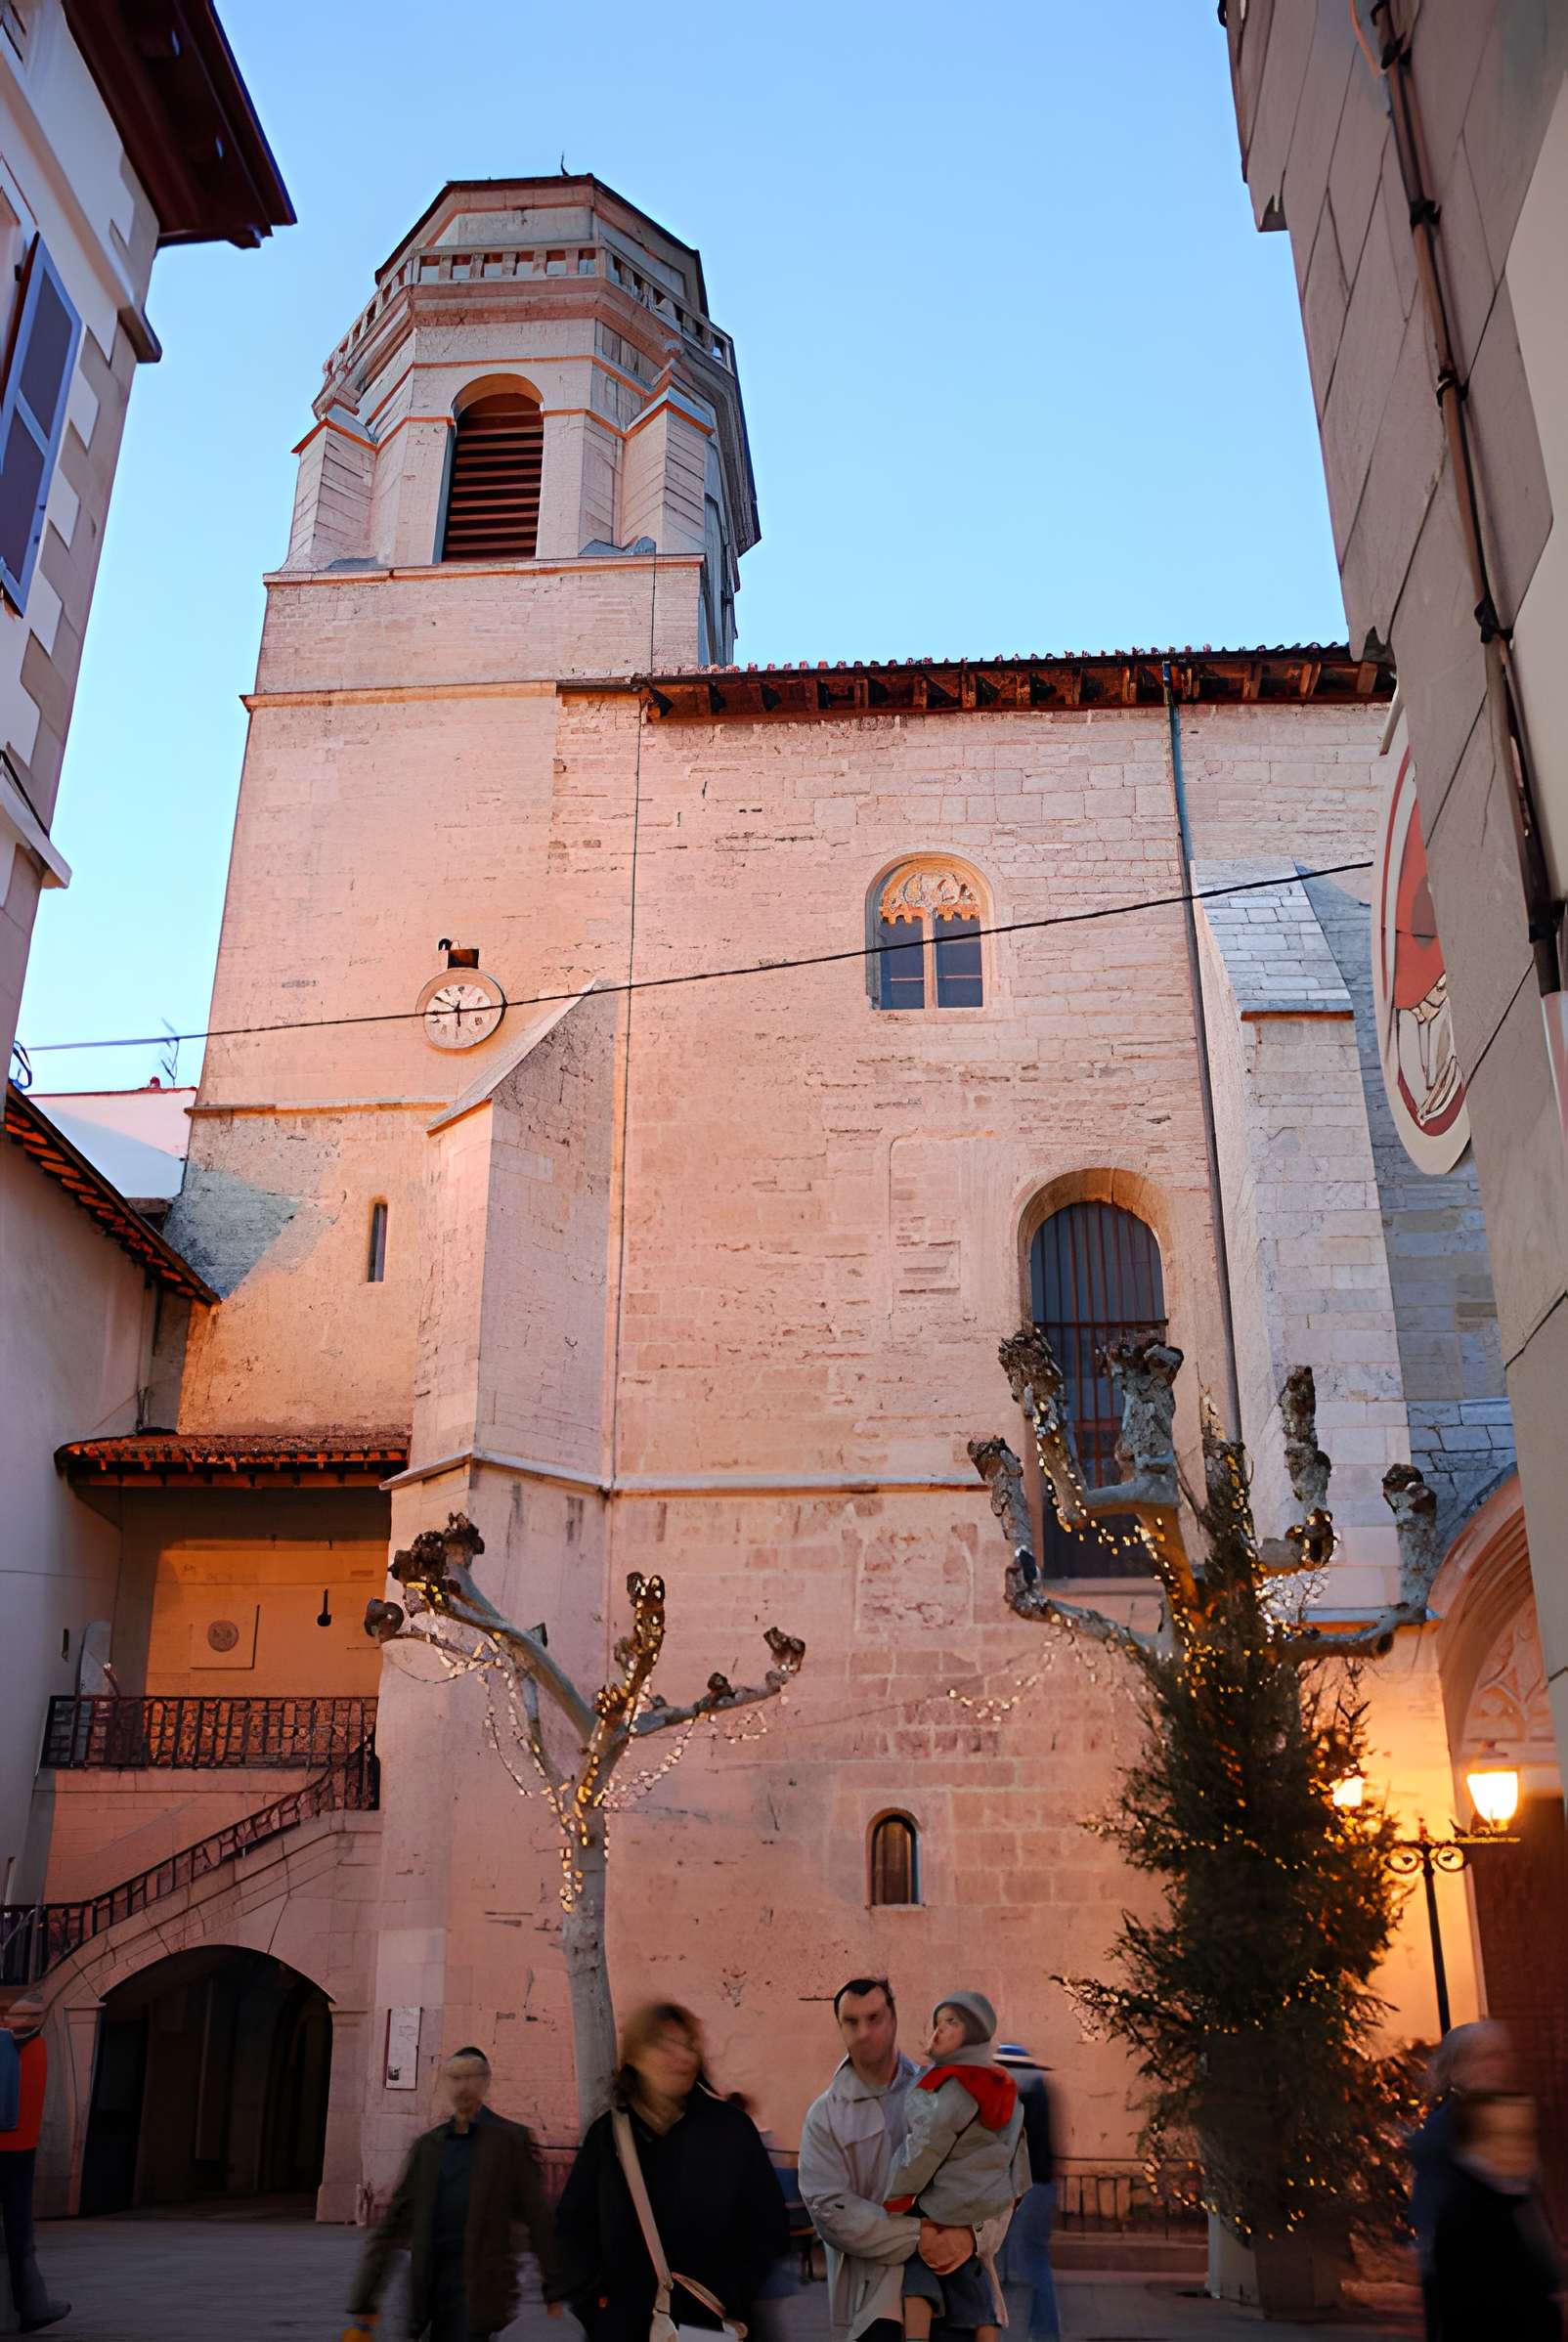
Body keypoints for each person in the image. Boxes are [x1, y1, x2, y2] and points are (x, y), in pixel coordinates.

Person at [799, 1977, 1024, 2342]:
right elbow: (829, 2209)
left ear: (894, 2018)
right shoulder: (825, 2116)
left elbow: (992, 2175)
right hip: (873, 2304)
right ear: (839, 2027)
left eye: (874, 2018)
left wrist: (970, 2237)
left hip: (955, 2290)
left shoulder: (945, 2091)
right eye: (851, 2022)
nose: (864, 2032)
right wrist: (921, 2236)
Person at [555, 2002, 788, 2342]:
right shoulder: (607, 2139)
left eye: (689, 2045)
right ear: (634, 2056)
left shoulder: (730, 2131)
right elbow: (573, 2234)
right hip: (628, 2329)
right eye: (664, 2045)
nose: (680, 2057)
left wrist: (729, 2298)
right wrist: (601, 2311)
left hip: (712, 2329)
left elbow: (768, 2228)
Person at [345, 2044, 562, 2342]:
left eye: (472, 2077)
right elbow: (394, 2224)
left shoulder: (509, 2141)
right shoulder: (429, 2146)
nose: (464, 2086)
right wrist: (365, 2297)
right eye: (456, 2078)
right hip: (431, 2285)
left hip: (482, 2285)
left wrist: (555, 2284)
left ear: (486, 2082)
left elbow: (537, 2216)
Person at [883, 1993, 1024, 2342]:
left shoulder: (949, 2085)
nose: (940, 2030)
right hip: (982, 2205)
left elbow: (926, 2146)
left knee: (918, 2278)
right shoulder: (1001, 2085)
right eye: (939, 2023)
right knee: (976, 2292)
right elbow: (1018, 2169)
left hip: (942, 2204)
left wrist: (895, 2195)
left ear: (973, 2032)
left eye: (952, 2022)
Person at [1407, 2018, 1517, 2341]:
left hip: (1493, 2275)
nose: (1497, 2066)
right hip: (1469, 2275)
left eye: (1501, 2055)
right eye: (1486, 2057)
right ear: (1456, 2068)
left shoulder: (1496, 2118)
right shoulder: (1454, 2127)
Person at [1429, 2091, 1562, 2341]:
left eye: (1524, 2134)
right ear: (1476, 2143)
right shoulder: (1468, 2211)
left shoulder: (1520, 2197)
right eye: (1504, 2136)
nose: (1518, 2147)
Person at [0, 1994, 68, 2335]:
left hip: (16, 2144)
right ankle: (30, 2305)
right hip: (17, 2147)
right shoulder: (30, 2045)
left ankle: (30, 2305)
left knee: (15, 2233)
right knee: (17, 2233)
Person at [994, 2046, 1060, 2342]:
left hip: (1028, 2189)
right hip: (1041, 2187)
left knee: (1030, 2261)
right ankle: (1040, 2331)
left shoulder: (1021, 2098)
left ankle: (1043, 2332)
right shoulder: (1039, 2091)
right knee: (1033, 2259)